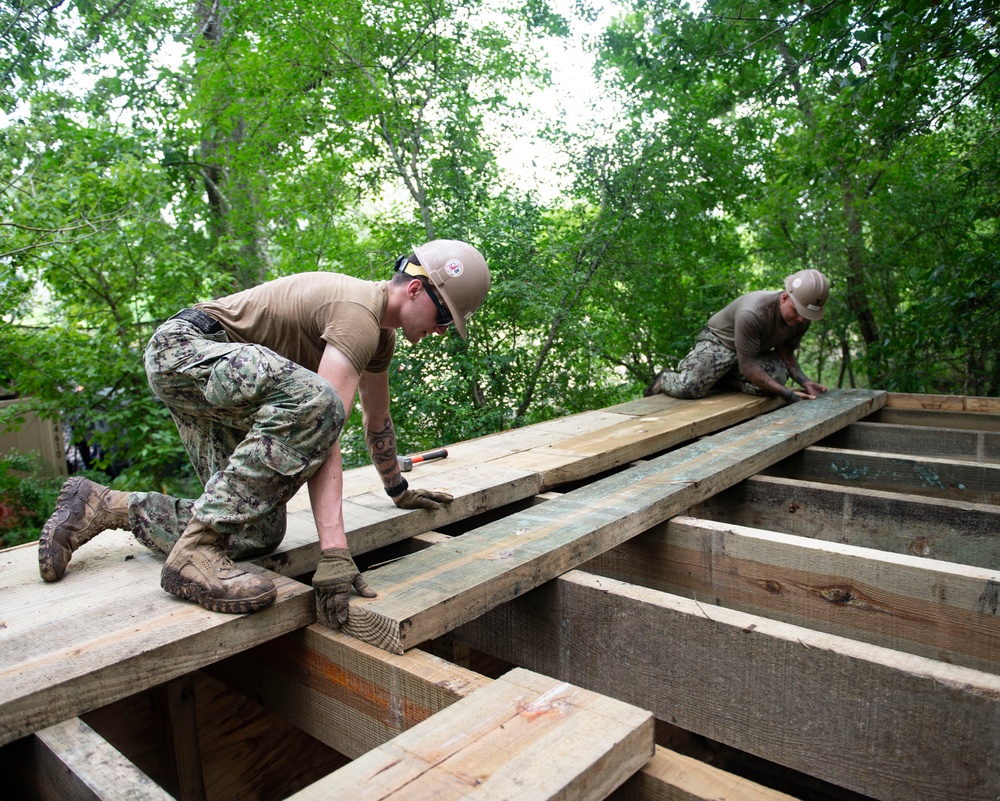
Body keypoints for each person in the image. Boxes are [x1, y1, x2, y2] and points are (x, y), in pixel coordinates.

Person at [37, 240, 491, 628]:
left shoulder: (380, 338)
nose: (440, 330)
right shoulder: (357, 314)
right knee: (320, 404)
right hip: (185, 349)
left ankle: (100, 505)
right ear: (415, 289)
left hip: (217, 385)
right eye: (445, 317)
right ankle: (194, 552)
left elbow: (377, 422)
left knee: (256, 531)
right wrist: (335, 553)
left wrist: (399, 489)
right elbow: (324, 426)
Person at [645, 269, 829, 403]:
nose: (800, 319)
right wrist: (788, 395)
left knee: (777, 381)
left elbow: (786, 352)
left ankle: (725, 380)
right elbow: (748, 366)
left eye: (805, 315)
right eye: (797, 311)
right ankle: (665, 378)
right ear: (784, 298)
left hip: (753, 351)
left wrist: (806, 383)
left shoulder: (802, 319)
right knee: (690, 388)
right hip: (720, 343)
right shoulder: (753, 312)